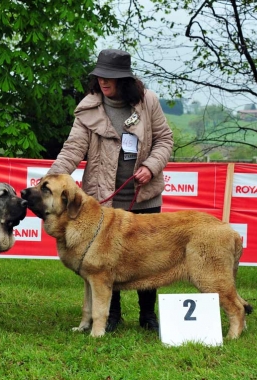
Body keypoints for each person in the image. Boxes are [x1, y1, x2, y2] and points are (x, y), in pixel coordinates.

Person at [48, 49, 173, 332]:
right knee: (105, 258)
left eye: (111, 77)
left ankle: (147, 315)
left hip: (145, 193)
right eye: (100, 76)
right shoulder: (89, 107)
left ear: (125, 79)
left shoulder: (147, 101)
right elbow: (73, 149)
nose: (104, 81)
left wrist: (151, 166)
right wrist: (53, 178)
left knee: (148, 256)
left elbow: (165, 139)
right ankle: (111, 315)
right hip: (103, 197)